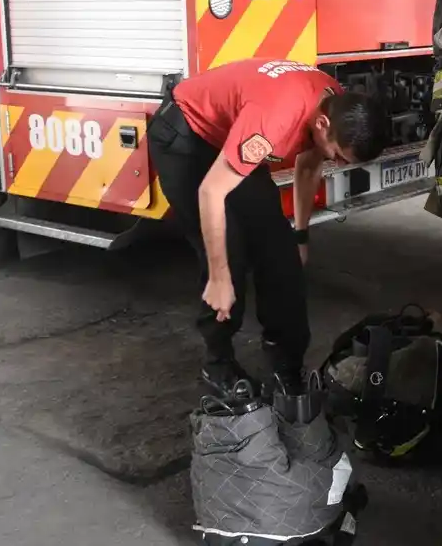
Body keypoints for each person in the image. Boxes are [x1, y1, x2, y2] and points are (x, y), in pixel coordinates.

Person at [146, 58, 391, 396]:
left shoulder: (335, 102)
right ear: (322, 125)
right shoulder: (275, 118)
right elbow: (211, 191)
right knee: (228, 255)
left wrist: (301, 236)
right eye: (339, 155)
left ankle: (286, 363)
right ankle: (217, 364)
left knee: (280, 253)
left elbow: (308, 167)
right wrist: (219, 279)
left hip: (231, 133)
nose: (338, 163)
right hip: (186, 136)